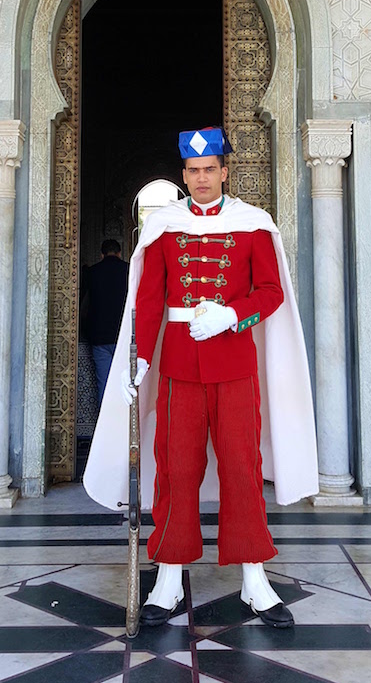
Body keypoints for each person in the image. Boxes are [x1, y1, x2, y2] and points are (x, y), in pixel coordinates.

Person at [83, 127, 318, 628]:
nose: (202, 178)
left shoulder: (253, 224)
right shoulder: (165, 226)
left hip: (234, 365)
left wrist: (233, 315)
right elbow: (148, 302)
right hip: (178, 371)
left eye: (210, 169)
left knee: (241, 469)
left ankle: (255, 580)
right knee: (176, 471)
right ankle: (168, 577)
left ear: (224, 172)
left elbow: (271, 292)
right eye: (193, 171)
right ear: (184, 175)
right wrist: (140, 359)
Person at [81, 239, 129, 403]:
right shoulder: (128, 271)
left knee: (104, 384)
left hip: (99, 336)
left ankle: (105, 424)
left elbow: (85, 303)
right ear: (119, 253)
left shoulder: (93, 272)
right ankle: (124, 423)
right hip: (123, 335)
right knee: (125, 382)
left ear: (102, 255)